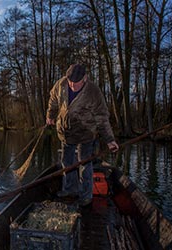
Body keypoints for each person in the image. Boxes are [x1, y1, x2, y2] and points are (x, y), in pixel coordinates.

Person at [46, 64, 119, 206]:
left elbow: (102, 117)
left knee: (84, 163)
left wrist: (110, 140)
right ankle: (70, 189)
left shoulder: (93, 92)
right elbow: (53, 100)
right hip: (66, 132)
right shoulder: (61, 84)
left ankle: (86, 195)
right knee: (67, 162)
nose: (72, 85)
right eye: (70, 82)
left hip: (86, 133)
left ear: (85, 78)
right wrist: (50, 115)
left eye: (76, 83)